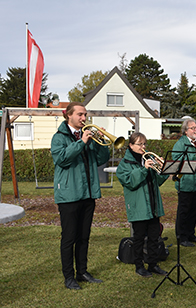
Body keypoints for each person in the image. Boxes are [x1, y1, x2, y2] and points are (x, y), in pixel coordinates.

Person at [51, 102, 110, 290]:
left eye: (85, 115)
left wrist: (101, 141)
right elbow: (62, 159)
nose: (84, 118)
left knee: (84, 236)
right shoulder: (59, 137)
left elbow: (101, 160)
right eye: (80, 115)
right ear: (68, 115)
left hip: (88, 193)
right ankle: (69, 277)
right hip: (69, 195)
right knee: (69, 237)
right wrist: (82, 142)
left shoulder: (88, 136)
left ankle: (82, 271)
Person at [116, 133, 169, 277]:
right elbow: (130, 182)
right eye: (139, 144)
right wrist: (144, 169)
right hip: (138, 206)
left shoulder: (149, 159)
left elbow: (158, 181)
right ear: (131, 146)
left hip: (153, 205)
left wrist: (163, 169)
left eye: (144, 144)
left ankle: (153, 264)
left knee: (154, 237)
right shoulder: (124, 165)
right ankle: (139, 265)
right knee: (138, 239)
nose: (143, 147)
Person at [172, 118, 196, 247]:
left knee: (195, 209)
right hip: (185, 182)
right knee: (184, 210)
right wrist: (194, 156)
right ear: (186, 131)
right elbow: (176, 160)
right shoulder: (180, 144)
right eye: (193, 128)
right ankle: (181, 236)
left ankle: (190, 233)